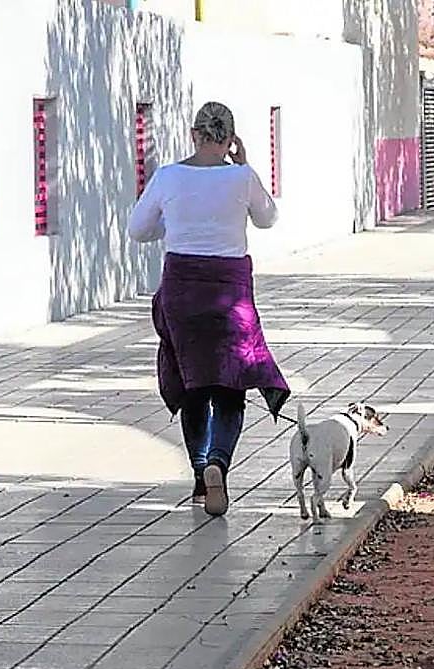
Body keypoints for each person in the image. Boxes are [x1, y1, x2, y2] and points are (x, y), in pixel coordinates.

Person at [129, 101, 289, 517]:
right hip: (230, 290)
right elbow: (268, 218)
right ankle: (219, 460)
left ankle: (201, 477)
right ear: (230, 139)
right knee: (230, 384)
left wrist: (175, 221)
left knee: (193, 382)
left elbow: (137, 230)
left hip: (182, 290)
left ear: (194, 133)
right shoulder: (242, 176)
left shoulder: (168, 176)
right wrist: (245, 165)